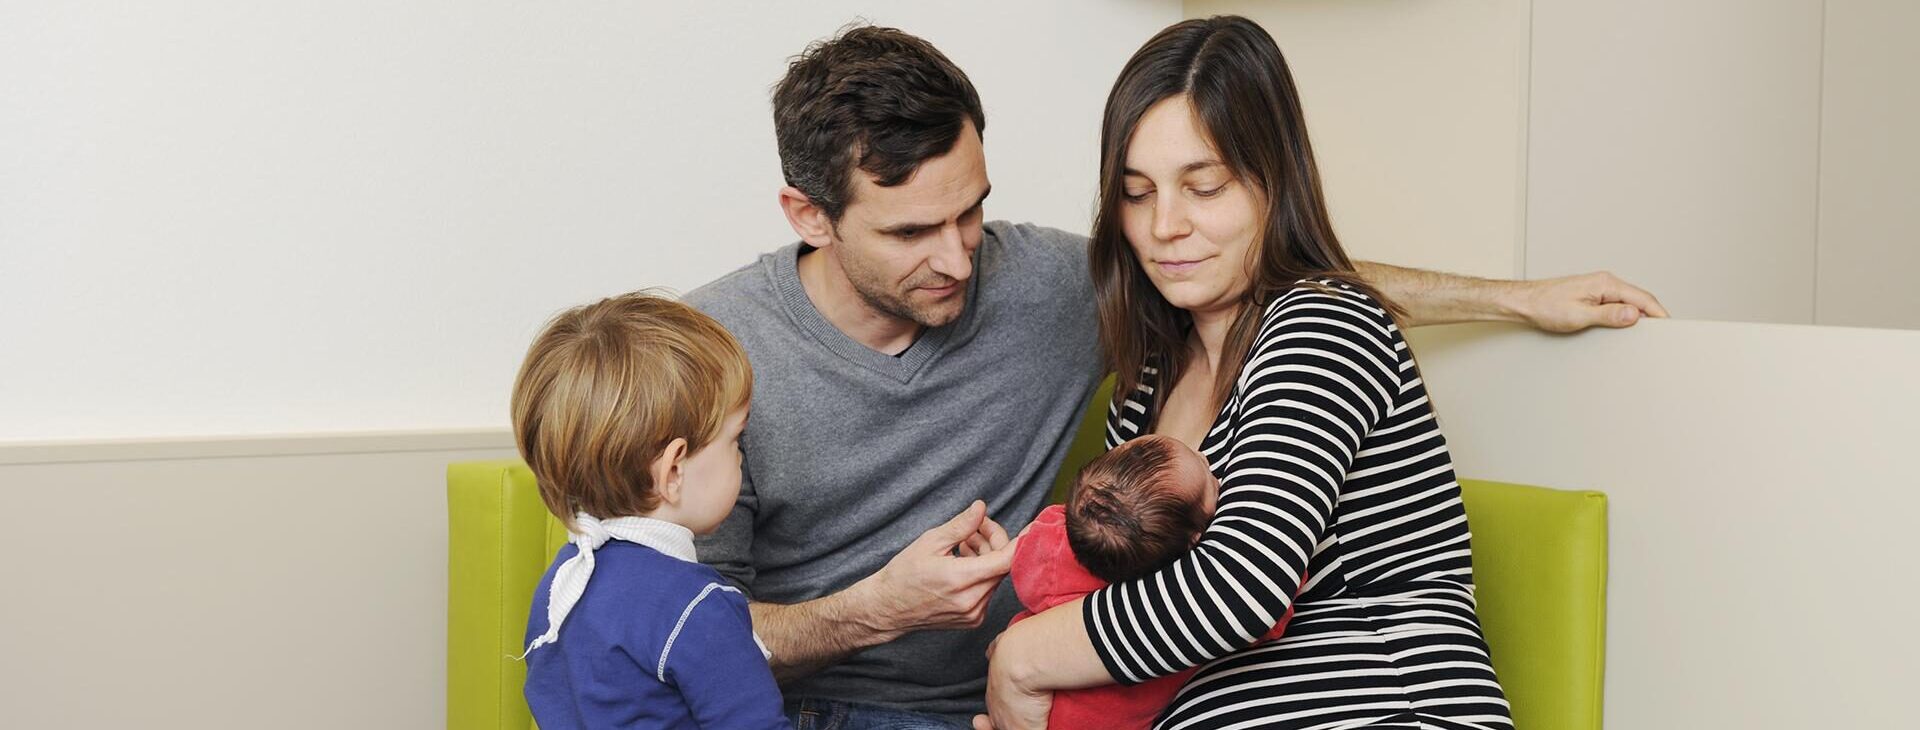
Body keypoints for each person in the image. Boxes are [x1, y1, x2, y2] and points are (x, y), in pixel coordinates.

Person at [682, 23, 1663, 728]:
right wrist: (894, 616)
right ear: (808, 215)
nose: (959, 258)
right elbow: (678, 627)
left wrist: (1518, 296)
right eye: (1139, 194)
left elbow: (1298, 288)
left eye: (973, 212)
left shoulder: (1296, 324)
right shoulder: (1151, 370)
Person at [979, 16, 1516, 729]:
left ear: (1274, 180)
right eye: (1138, 193)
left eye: (1204, 187)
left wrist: (1022, 658)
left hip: (1382, 706)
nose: (1165, 225)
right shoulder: (1146, 385)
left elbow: (1241, 584)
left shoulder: (1323, 325)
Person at [510, 292, 786, 729]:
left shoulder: (564, 581)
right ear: (673, 470)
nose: (741, 457)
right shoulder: (700, 605)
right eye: (736, 440)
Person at [1009, 434, 1296, 729]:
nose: (1205, 458)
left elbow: (1030, 544)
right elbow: (1261, 612)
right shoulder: (1187, 610)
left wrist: (990, 561)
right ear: (1194, 539)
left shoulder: (1056, 546)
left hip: (1023, 699)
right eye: (1208, 477)